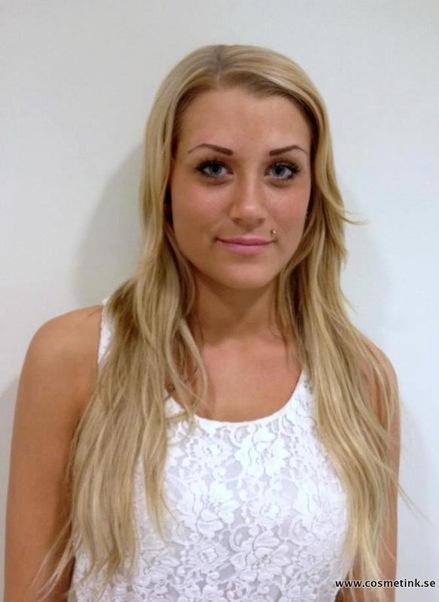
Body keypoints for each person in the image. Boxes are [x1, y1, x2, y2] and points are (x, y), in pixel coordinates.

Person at [5, 44, 401, 602]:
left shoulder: (360, 379)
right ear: (165, 184)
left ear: (313, 192)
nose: (249, 207)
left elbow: (373, 589)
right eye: (214, 168)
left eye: (282, 170)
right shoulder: (75, 357)